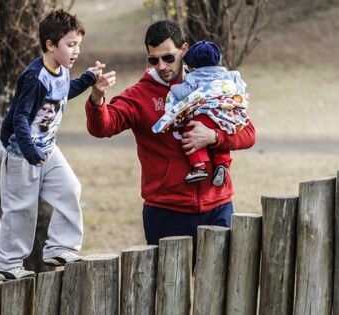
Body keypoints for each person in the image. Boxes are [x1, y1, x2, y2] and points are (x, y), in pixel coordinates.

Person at [85, 21, 255, 261]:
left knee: (219, 292)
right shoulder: (139, 95)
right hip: (166, 211)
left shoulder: (211, 85)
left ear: (184, 49)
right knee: (169, 293)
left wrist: (214, 137)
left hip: (218, 206)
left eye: (168, 57)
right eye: (153, 60)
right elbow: (103, 127)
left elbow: (248, 133)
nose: (162, 66)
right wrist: (97, 99)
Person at [0, 9, 108, 281]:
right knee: (21, 209)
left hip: (46, 147)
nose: (76, 51)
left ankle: (60, 247)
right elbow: (19, 116)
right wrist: (29, 152)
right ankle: (4, 265)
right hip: (20, 151)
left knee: (70, 188)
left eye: (78, 44)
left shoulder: (62, 69)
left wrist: (88, 79)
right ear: (50, 45)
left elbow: (64, 92)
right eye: (70, 45)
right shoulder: (34, 77)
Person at [152, 40, 250, 184]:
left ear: (192, 65)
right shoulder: (227, 75)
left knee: (190, 132)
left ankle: (199, 167)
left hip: (205, 116)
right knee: (222, 134)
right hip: (226, 115)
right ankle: (222, 164)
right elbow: (240, 88)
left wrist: (173, 87)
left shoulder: (194, 77)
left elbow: (183, 93)